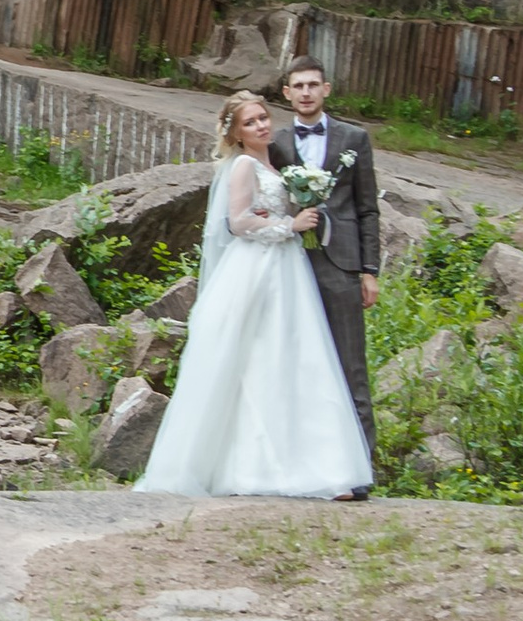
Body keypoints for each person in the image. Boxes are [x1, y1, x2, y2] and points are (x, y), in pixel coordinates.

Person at [135, 91, 373, 499]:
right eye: (250, 122)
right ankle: (250, 467)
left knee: (293, 360)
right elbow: (238, 222)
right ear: (236, 133)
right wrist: (291, 225)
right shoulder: (243, 165)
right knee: (257, 359)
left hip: (286, 268)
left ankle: (314, 466)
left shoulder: (272, 162)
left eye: (263, 117)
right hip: (258, 269)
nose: (262, 125)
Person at [266, 55, 380, 493]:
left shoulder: (355, 138)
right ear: (288, 93)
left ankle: (360, 474)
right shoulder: (274, 142)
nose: (307, 92)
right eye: (299, 86)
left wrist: (370, 270)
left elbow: (367, 207)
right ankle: (302, 469)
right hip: (291, 264)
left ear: (326, 90)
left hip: (342, 263)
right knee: (297, 365)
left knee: (351, 367)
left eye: (314, 85)